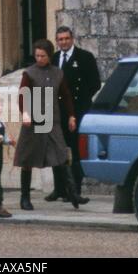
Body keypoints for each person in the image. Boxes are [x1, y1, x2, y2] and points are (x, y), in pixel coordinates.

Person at [14, 39, 90, 211]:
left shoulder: (58, 73)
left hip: (52, 120)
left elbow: (66, 95)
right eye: (37, 55)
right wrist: (25, 113)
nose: (39, 58)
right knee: (28, 159)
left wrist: (71, 115)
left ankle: (72, 194)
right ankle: (24, 198)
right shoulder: (29, 73)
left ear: (49, 56)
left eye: (43, 56)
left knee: (62, 156)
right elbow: (23, 95)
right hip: (33, 121)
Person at [45, 26, 101, 202]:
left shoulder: (85, 57)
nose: (63, 42)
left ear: (72, 39)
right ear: (57, 41)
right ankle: (59, 189)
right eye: (60, 39)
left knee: (75, 151)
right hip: (57, 113)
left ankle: (73, 191)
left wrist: (78, 106)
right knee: (57, 151)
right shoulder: (53, 59)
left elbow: (95, 84)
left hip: (78, 112)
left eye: (66, 39)